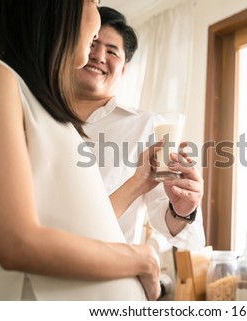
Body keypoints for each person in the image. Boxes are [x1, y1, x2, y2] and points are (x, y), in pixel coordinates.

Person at [0, 0, 161, 301]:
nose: (97, 20)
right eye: (94, 2)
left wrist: (139, 182)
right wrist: (144, 259)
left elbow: (79, 222)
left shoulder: (52, 113)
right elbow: (16, 243)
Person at [74, 7, 205, 250]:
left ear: (124, 69)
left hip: (112, 274)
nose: (99, 56)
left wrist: (182, 211)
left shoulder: (147, 126)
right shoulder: (36, 114)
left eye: (112, 51)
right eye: (92, 44)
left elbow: (166, 221)